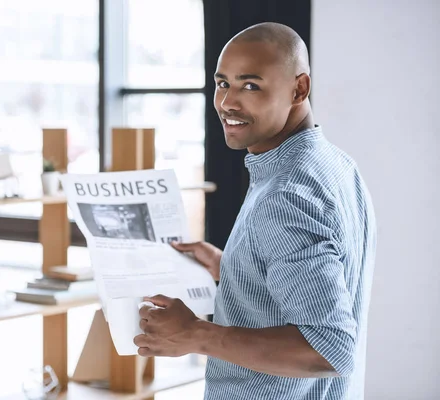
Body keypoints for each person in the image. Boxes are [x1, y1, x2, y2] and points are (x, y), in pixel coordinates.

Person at [133, 22, 377, 399]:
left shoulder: (286, 194)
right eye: (222, 83)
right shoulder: (336, 165)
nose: (228, 102)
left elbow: (329, 348)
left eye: (250, 85)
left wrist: (197, 334)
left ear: (299, 88)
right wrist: (230, 266)